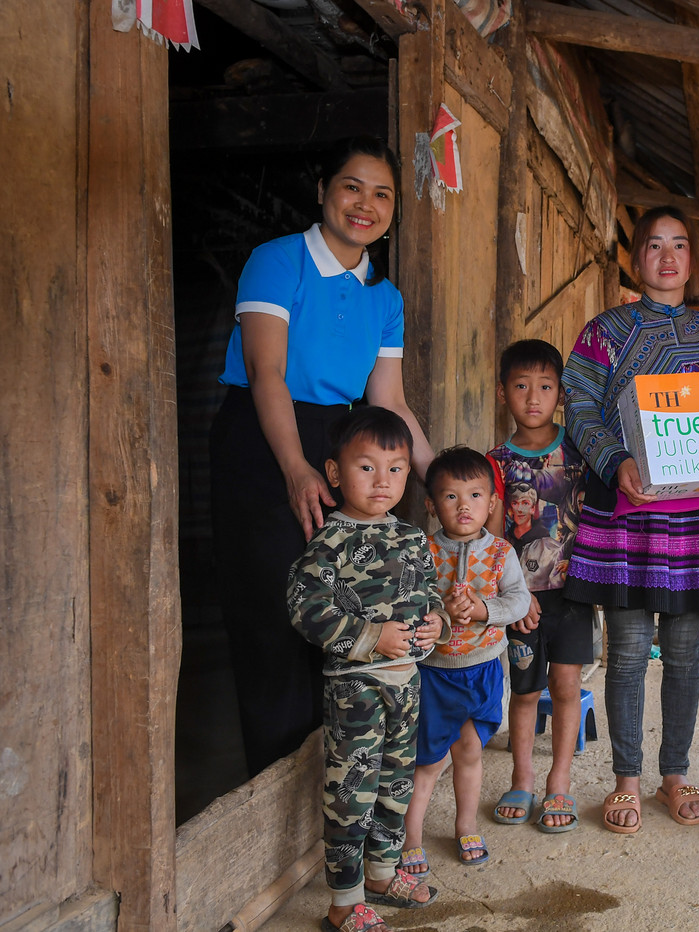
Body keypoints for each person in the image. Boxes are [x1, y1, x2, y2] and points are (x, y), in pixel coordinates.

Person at [210, 135, 434, 776]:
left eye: (382, 194)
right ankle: (269, 780)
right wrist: (295, 468)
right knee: (271, 610)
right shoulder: (278, 261)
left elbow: (389, 401)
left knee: (344, 605)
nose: (366, 205)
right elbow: (266, 373)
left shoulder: (383, 297)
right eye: (351, 187)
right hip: (264, 442)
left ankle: (332, 781)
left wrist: (445, 481)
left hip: (342, 447)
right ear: (322, 192)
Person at [562, 206, 699, 834]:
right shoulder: (604, 333)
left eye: (678, 246)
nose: (667, 258)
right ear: (636, 257)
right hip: (629, 510)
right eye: (653, 245)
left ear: (692, 260)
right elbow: (578, 404)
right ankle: (626, 777)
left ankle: (674, 772)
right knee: (625, 653)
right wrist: (615, 460)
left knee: (684, 652)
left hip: (697, 515)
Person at [286, 406, 445, 932]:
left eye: (396, 468)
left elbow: (429, 594)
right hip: (356, 689)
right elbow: (305, 607)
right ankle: (344, 899)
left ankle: (381, 875)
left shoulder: (412, 538)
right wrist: (372, 637)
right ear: (335, 473)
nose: (383, 481)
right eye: (367, 467)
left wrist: (437, 622)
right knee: (350, 795)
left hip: (407, 685)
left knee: (395, 784)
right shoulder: (330, 542)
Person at [400, 446, 529, 874]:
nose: (464, 506)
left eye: (475, 495)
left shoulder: (501, 553)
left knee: (471, 751)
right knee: (427, 760)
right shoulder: (421, 551)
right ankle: (411, 838)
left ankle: (466, 825)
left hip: (483, 668)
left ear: (491, 503)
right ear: (431, 505)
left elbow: (519, 601)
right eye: (450, 496)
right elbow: (407, 601)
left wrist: (482, 609)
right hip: (434, 674)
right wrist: (440, 611)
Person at [487, 339, 592, 833]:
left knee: (566, 685)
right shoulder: (494, 463)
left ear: (561, 394)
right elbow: (491, 539)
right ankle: (522, 779)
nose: (534, 398)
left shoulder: (581, 451)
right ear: (502, 392)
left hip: (573, 594)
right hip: (520, 600)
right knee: (525, 690)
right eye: (521, 386)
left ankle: (559, 781)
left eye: (546, 387)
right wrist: (513, 594)